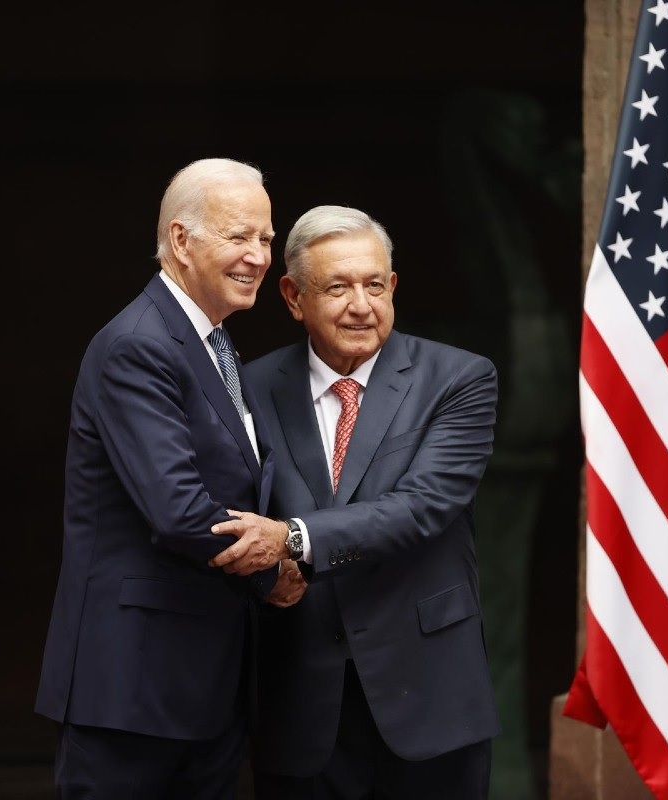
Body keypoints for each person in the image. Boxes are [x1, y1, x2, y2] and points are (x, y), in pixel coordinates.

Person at [210, 205, 501, 799]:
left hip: (428, 694)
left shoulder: (458, 378)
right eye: (337, 287)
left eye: (374, 284)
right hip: (302, 696)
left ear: (393, 286)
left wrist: (291, 538)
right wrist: (264, 577)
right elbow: (229, 513)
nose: (361, 305)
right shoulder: (250, 387)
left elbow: (424, 504)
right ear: (293, 297)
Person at [35, 157, 301, 799]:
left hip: (201, 690)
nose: (260, 257)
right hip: (132, 689)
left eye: (266, 240)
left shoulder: (212, 342)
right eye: (240, 237)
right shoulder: (139, 344)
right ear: (182, 240)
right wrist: (276, 568)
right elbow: (179, 509)